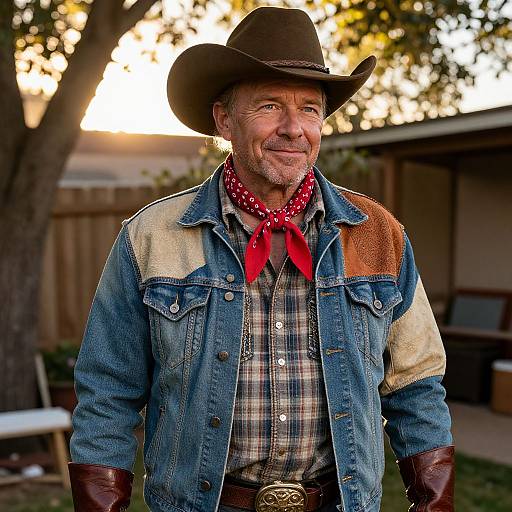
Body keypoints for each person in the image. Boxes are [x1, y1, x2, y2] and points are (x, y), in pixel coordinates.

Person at [68, 6, 454, 512]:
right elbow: (107, 395)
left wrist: (434, 504)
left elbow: (417, 387)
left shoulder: (377, 233)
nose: (294, 129)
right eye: (270, 105)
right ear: (225, 119)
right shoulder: (151, 237)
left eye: (311, 109)